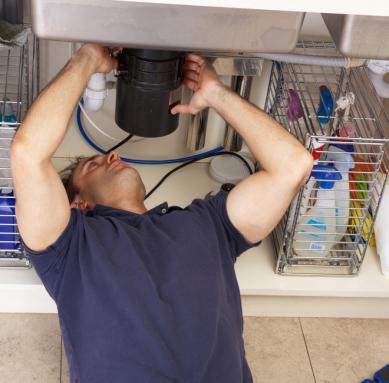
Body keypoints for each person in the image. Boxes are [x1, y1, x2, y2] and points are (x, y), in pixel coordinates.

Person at [11, 44, 313, 383]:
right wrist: (87, 59)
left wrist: (216, 93)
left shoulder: (208, 223)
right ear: (78, 204)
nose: (112, 155)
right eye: (93, 164)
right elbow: (28, 153)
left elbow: (293, 166)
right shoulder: (69, 249)